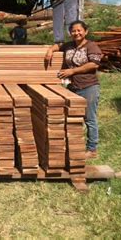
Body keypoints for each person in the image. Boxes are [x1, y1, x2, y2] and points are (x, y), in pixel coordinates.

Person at [44, 20, 102, 159]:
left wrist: (73, 71)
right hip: (73, 86)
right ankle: (73, 145)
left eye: (79, 30)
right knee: (72, 116)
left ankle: (92, 148)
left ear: (85, 31)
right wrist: (50, 50)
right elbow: (58, 45)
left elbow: (94, 64)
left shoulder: (91, 46)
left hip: (88, 86)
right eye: (73, 31)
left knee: (89, 118)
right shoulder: (69, 46)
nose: (76, 33)